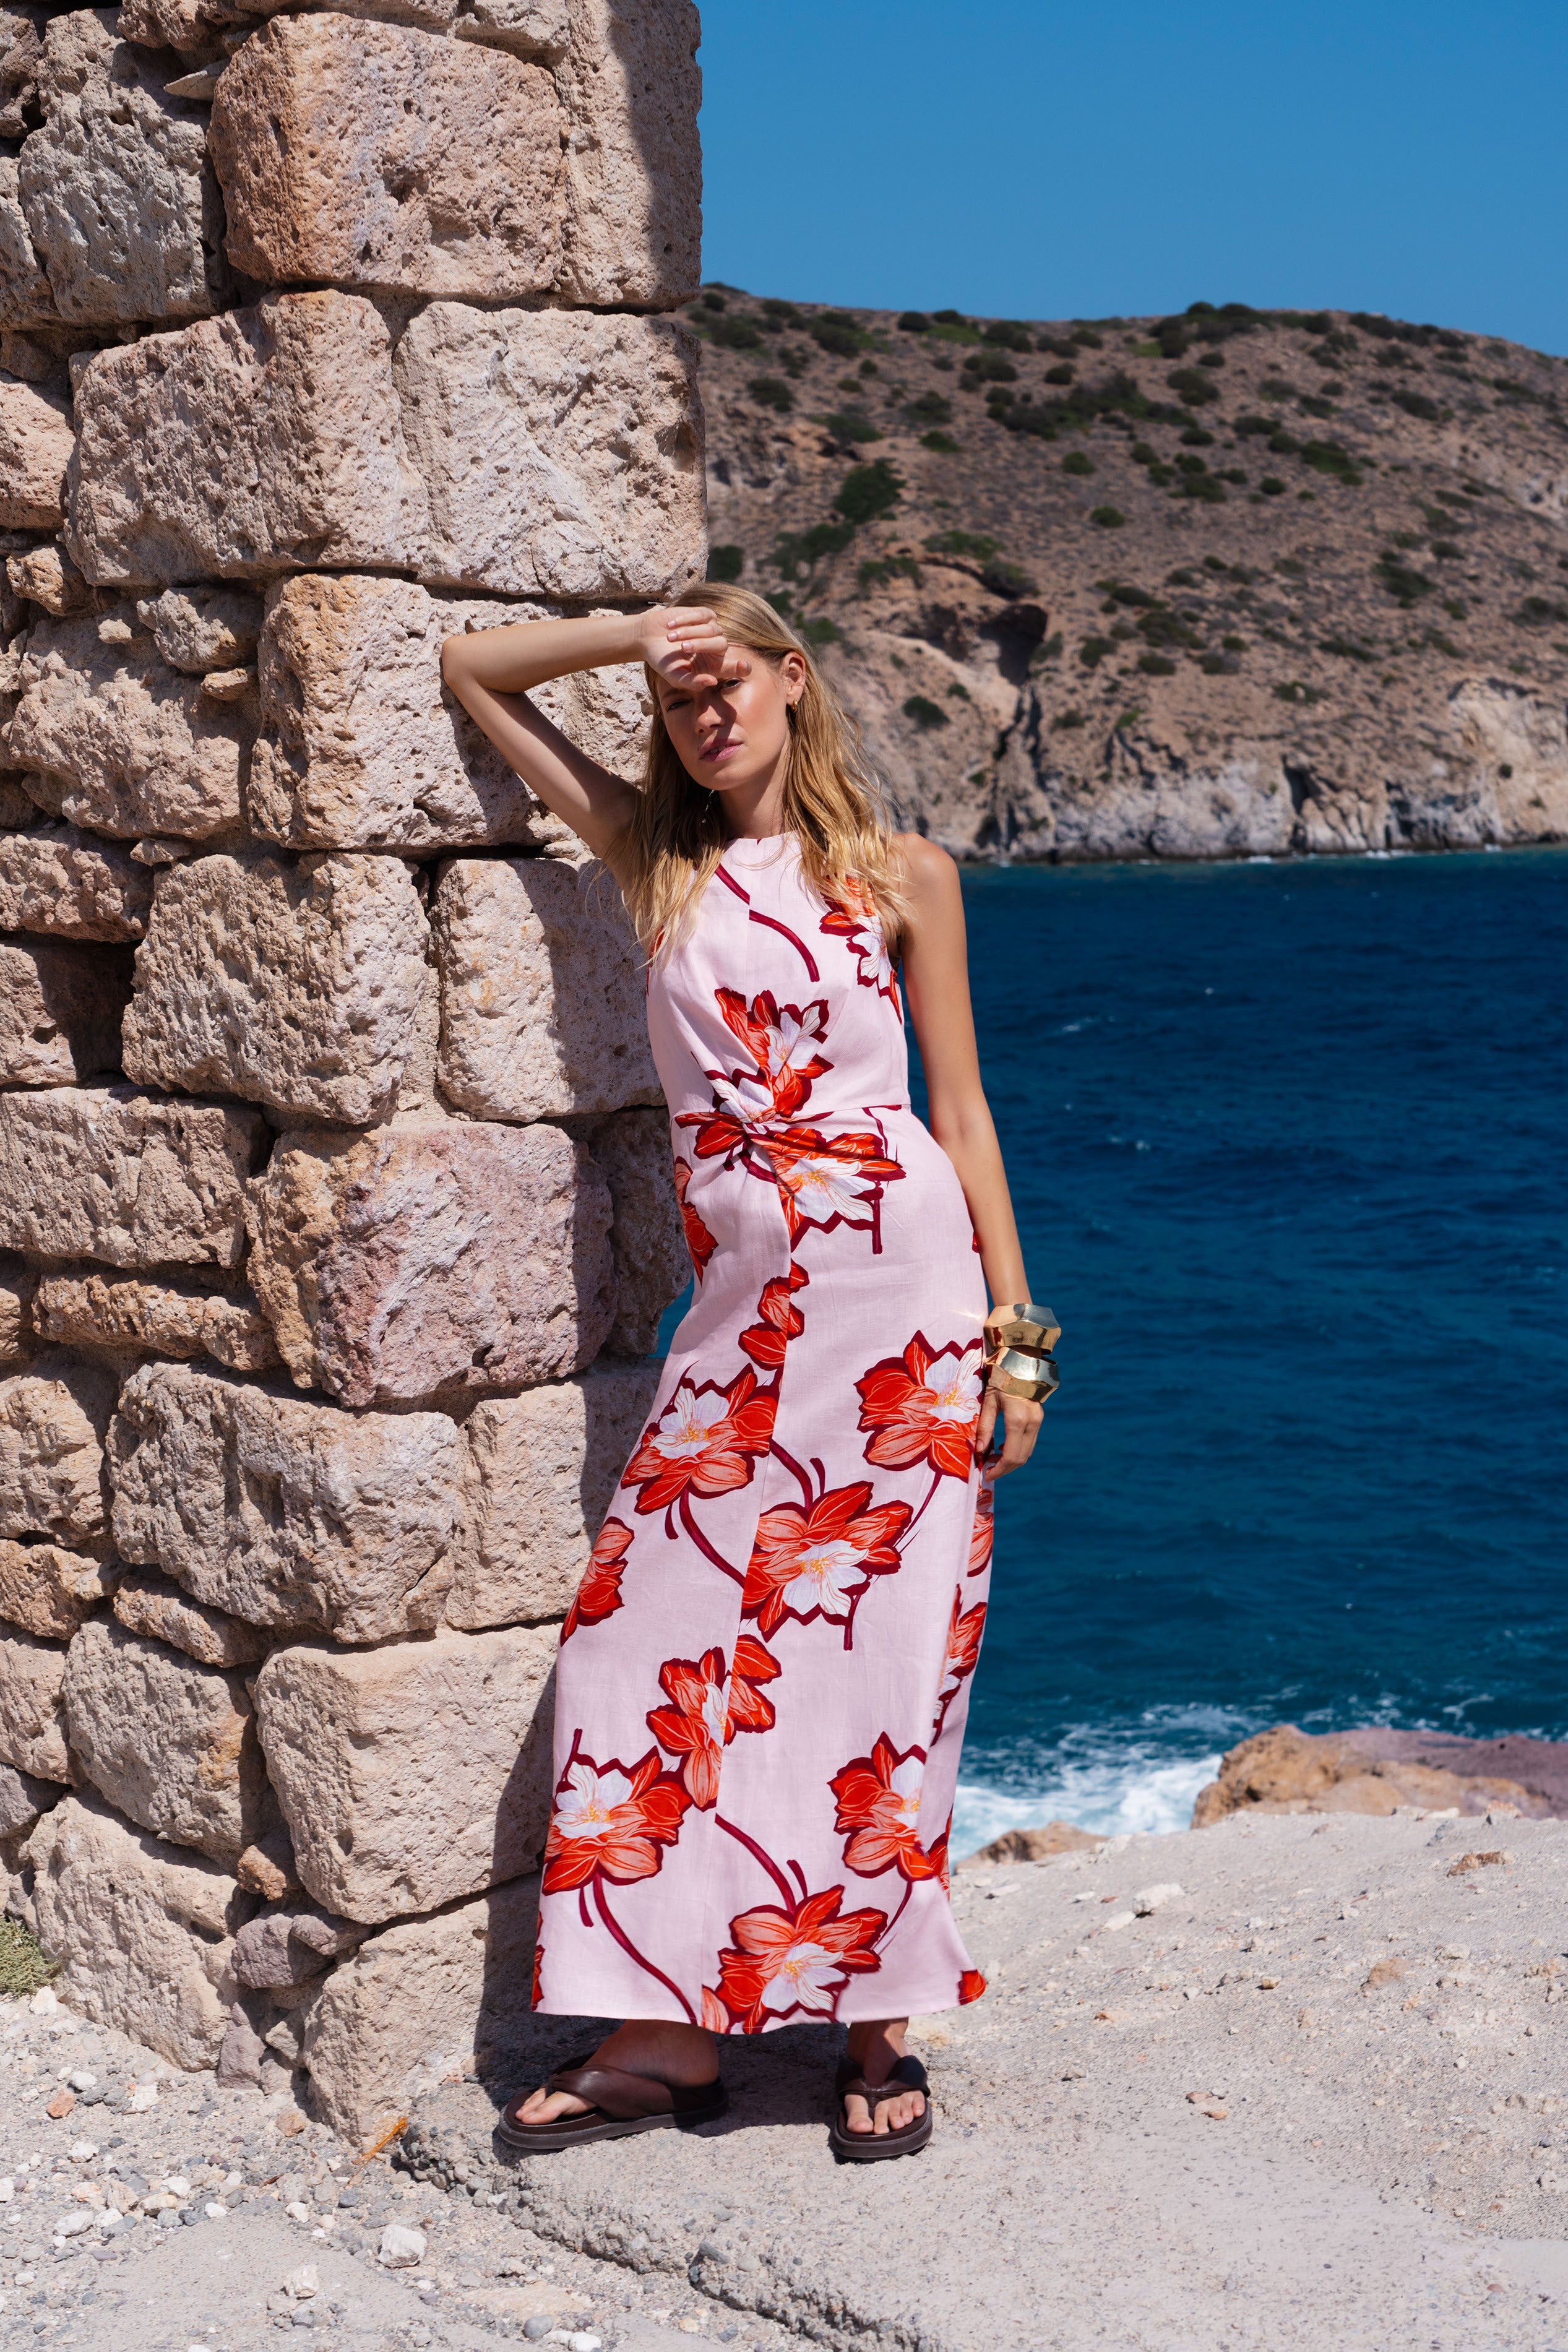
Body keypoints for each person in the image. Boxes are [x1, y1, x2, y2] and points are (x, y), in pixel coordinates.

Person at [441, 584, 1056, 2161]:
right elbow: (470, 671)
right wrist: (642, 636)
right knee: (637, 1654)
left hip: (905, 1310)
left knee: (885, 1668)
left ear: (797, 681)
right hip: (739, 1333)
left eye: (733, 680)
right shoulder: (661, 866)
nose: (708, 712)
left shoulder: (907, 875)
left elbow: (963, 1116)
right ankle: (672, 2033)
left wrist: (1019, 1335)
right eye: (684, 696)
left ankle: (874, 2027)